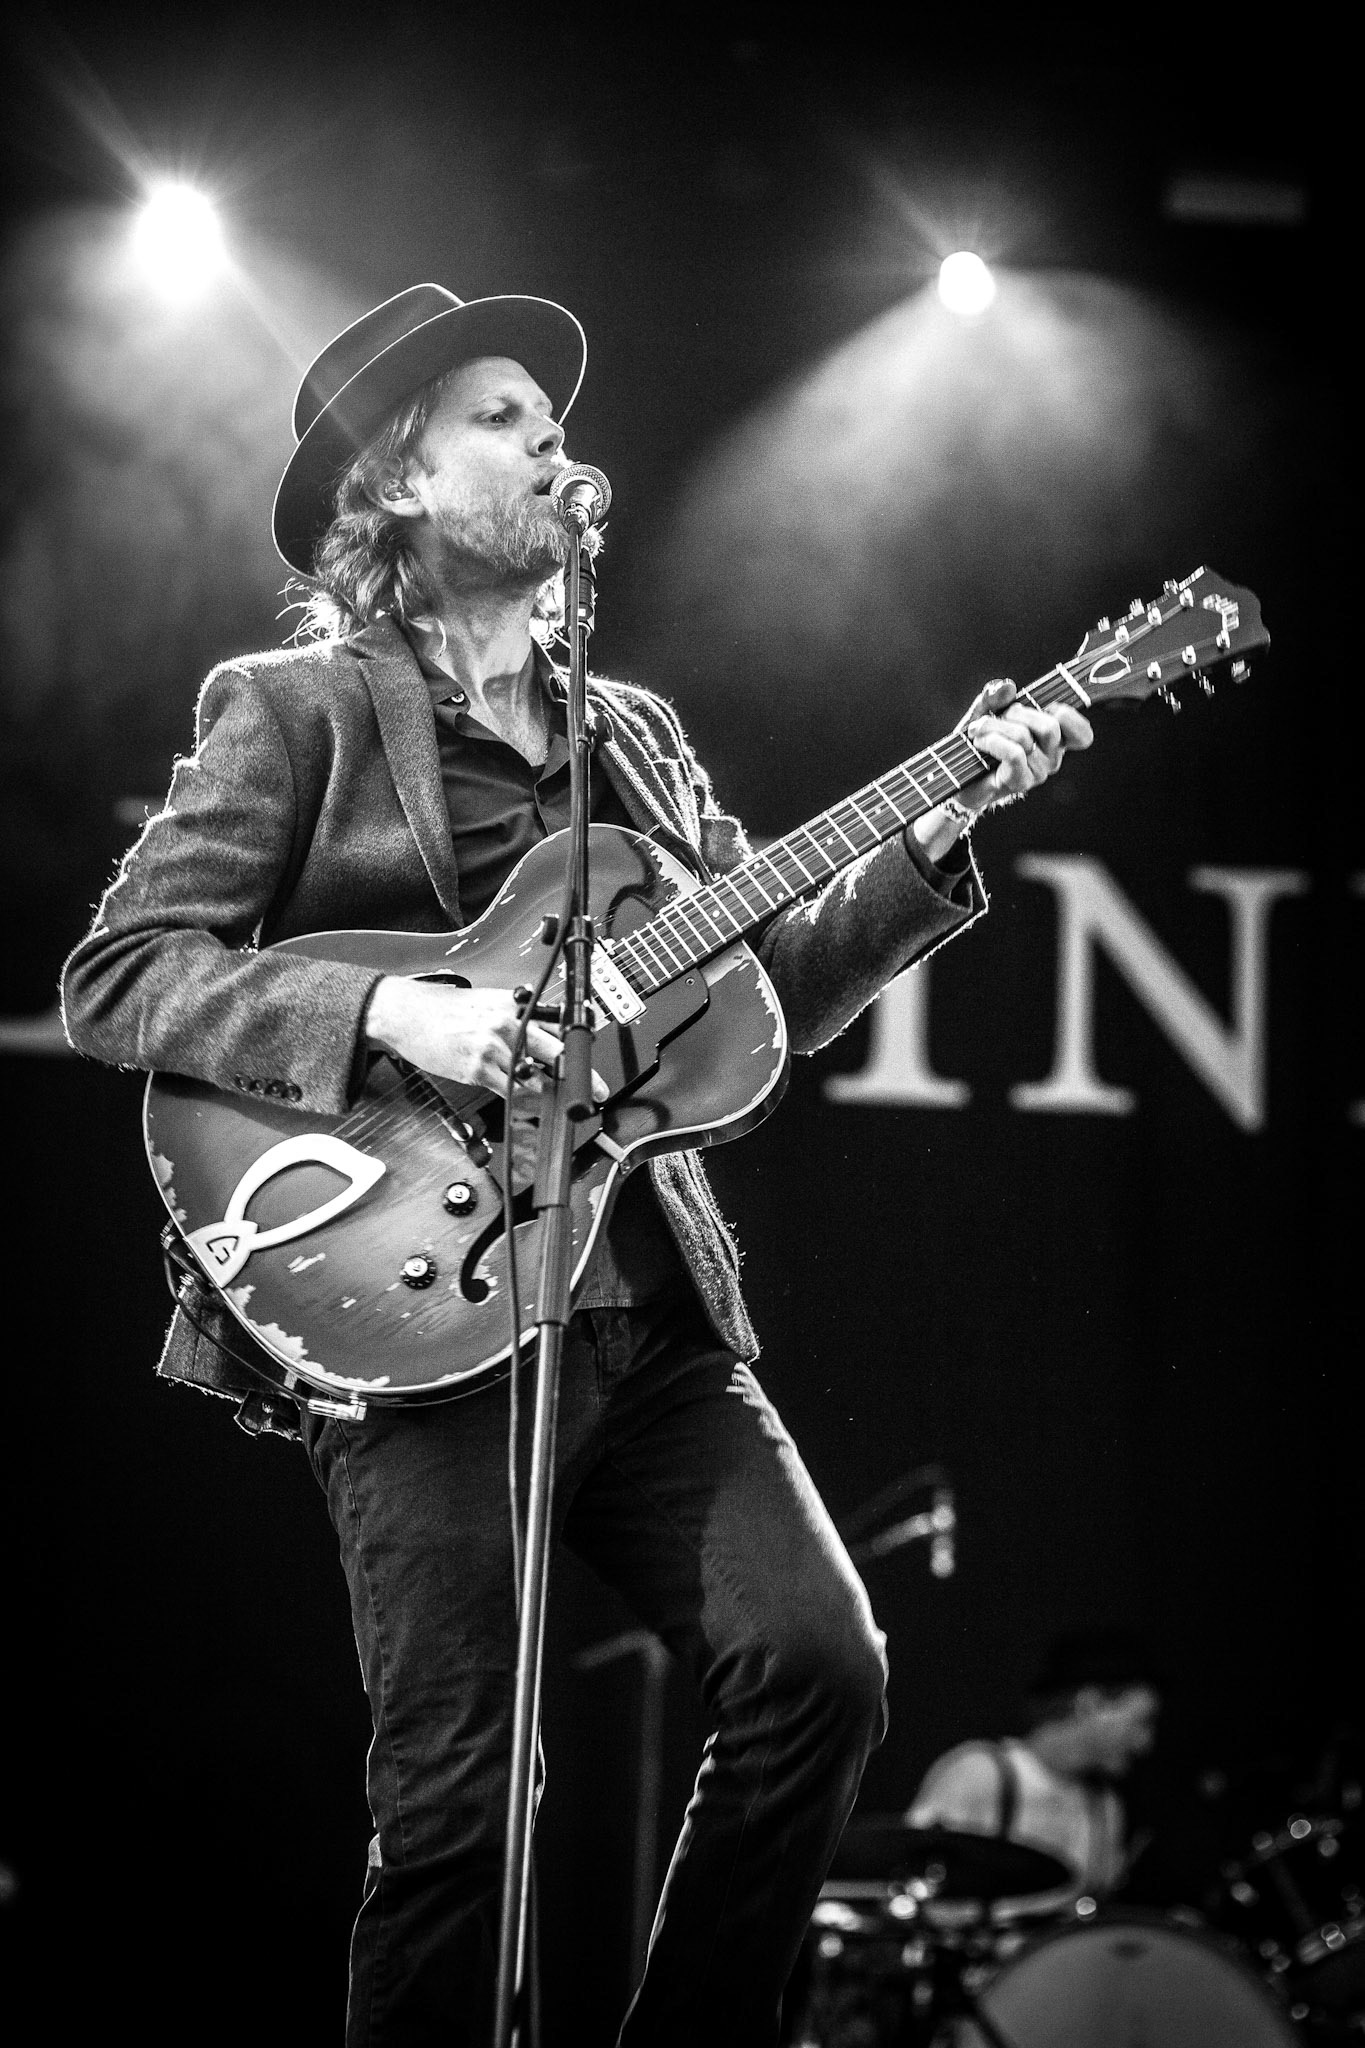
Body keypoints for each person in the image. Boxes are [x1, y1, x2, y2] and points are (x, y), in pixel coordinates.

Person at [60, 282, 1091, 2047]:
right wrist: (401, 1014)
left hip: (640, 1302)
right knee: (464, 1806)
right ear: (396, 483)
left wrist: (938, 827)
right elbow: (122, 976)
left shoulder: (637, 736)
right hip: (416, 1314)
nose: (557, 449)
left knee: (821, 1669)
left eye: (557, 425)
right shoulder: (295, 710)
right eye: (505, 421)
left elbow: (765, 995)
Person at [905, 1628, 1162, 1924]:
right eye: (1141, 1722)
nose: (1145, 1743)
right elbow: (916, 1883)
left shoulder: (1106, 1805)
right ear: (1090, 1703)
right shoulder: (981, 1772)